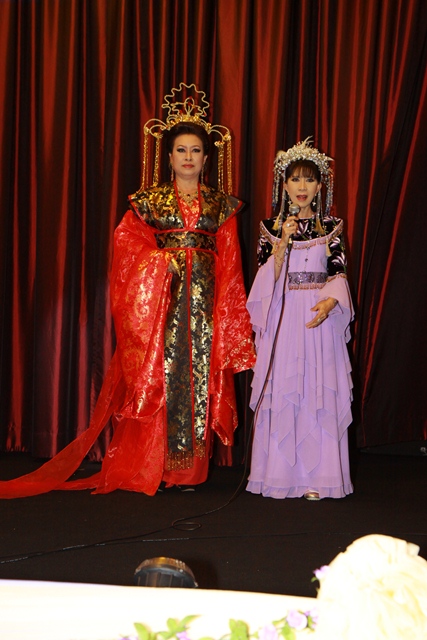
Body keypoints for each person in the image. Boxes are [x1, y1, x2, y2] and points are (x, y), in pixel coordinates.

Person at [0, 84, 255, 498]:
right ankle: (153, 466)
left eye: (195, 151)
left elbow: (231, 262)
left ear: (206, 159)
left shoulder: (221, 206)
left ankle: (188, 473)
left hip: (204, 310)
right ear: (169, 157)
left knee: (197, 382)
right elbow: (127, 245)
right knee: (160, 380)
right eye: (181, 150)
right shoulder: (148, 202)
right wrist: (160, 263)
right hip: (161, 308)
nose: (188, 157)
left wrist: (227, 316)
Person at [246, 138, 354, 500]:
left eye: (309, 179)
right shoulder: (271, 227)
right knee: (286, 391)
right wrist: (283, 242)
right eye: (295, 179)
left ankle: (320, 479)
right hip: (286, 316)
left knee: (318, 391)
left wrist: (330, 303)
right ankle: (280, 476)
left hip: (318, 318)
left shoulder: (331, 227)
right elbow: (266, 278)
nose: (302, 186)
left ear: (320, 186)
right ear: (285, 185)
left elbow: (338, 271)